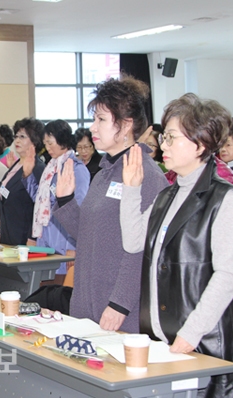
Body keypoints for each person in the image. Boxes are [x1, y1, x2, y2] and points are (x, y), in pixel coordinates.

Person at [120, 93, 233, 398]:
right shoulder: (167, 196)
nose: (163, 145)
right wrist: (131, 190)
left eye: (171, 137)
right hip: (165, 342)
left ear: (200, 143)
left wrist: (189, 334)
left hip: (207, 346)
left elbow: (227, 275)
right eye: (163, 137)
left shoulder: (224, 199)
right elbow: (133, 241)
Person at [53, 76, 168, 333]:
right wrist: (66, 200)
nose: (93, 127)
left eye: (101, 120)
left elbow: (144, 249)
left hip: (120, 309)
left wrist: (120, 303)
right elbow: (89, 235)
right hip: (88, 298)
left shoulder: (147, 175)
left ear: (126, 125)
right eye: (94, 119)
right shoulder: (104, 172)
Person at [25, 120, 90, 283]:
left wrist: (73, 246)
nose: (47, 147)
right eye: (45, 143)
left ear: (63, 140)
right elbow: (39, 200)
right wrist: (28, 175)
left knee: (60, 286)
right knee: (44, 285)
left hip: (63, 239)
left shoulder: (77, 168)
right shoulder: (50, 168)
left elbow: (78, 209)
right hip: (45, 237)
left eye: (51, 143)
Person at [0, 117, 45, 245]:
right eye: (16, 136)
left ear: (35, 140)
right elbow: (7, 195)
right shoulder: (16, 165)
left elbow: (39, 206)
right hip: (8, 233)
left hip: (23, 236)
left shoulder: (37, 168)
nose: (17, 140)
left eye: (22, 136)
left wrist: (33, 237)